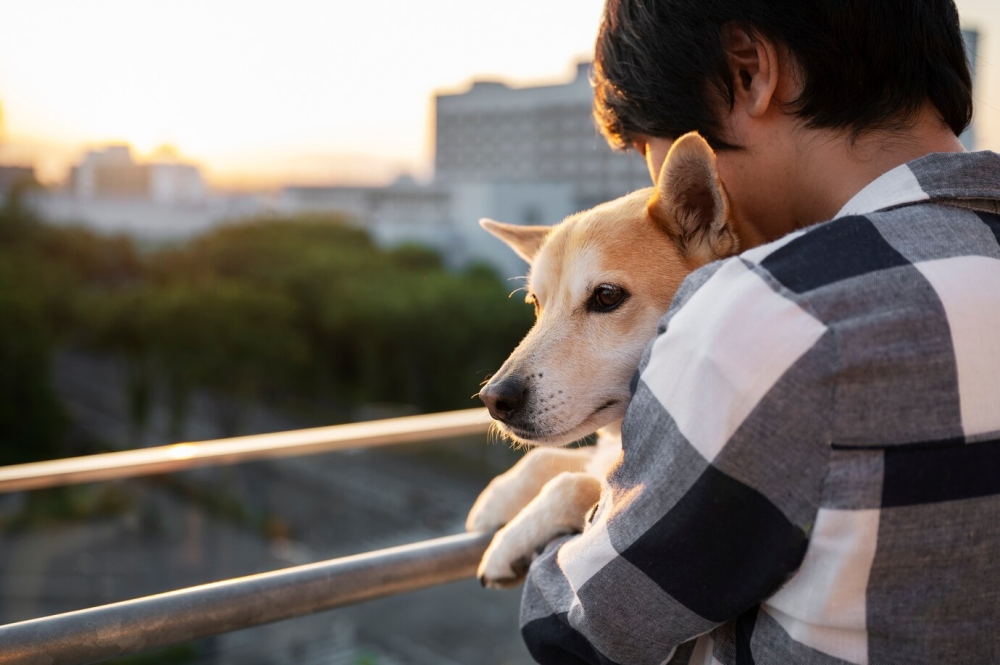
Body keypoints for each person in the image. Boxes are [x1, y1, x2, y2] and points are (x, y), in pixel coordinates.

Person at [519, 1, 1000, 663]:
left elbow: (579, 627)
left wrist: (574, 514)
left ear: (748, 73)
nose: (654, 184)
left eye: (648, 146)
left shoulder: (772, 311)